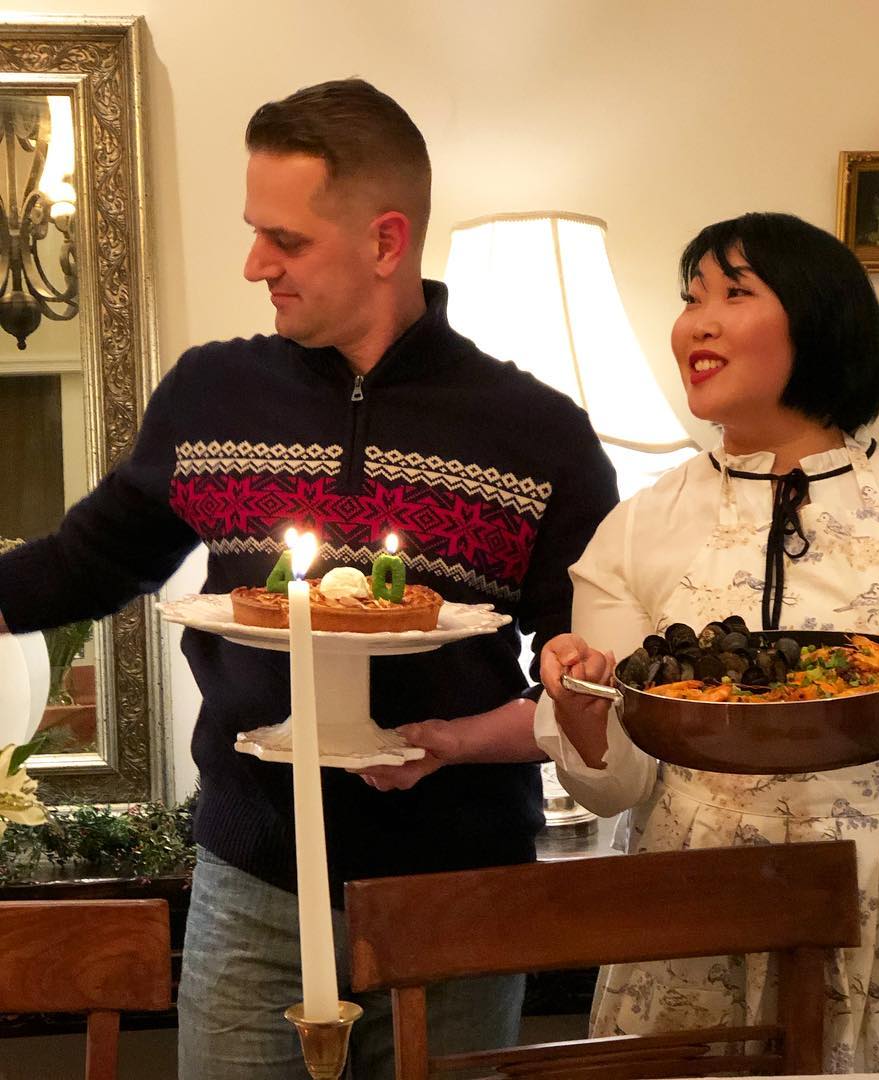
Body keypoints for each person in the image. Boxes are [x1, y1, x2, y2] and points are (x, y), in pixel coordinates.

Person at [0, 79, 618, 1079]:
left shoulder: (537, 433)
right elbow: (89, 559)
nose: (256, 265)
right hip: (256, 884)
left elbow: (581, 662)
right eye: (256, 233)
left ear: (385, 242)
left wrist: (531, 711)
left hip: (457, 899)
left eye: (284, 242)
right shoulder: (212, 393)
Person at [536, 212, 879, 1072]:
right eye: (691, 296)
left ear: (819, 321)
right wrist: (580, 703)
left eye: (734, 293)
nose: (696, 322)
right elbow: (613, 784)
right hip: (692, 901)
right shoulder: (638, 530)